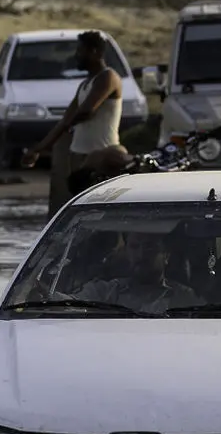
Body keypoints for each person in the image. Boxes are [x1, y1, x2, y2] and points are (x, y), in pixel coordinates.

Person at [21, 31, 129, 203]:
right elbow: (65, 121)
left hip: (102, 157)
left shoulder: (108, 77)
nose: (76, 56)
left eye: (80, 51)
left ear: (95, 52)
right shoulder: (85, 84)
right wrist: (38, 149)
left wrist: (68, 124)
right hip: (78, 156)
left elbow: (86, 111)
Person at [75, 232, 200, 314]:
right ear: (127, 252)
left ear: (166, 256)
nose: (141, 255)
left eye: (149, 247)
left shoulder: (184, 297)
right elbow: (67, 302)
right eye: (134, 247)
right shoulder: (106, 291)